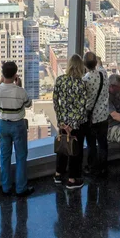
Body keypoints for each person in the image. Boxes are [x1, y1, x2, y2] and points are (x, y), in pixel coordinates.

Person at [0, 61, 34, 197]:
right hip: (18, 125)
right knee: (21, 156)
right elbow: (28, 104)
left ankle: (6, 187)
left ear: (2, 74)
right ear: (16, 74)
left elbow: (0, 85)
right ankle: (21, 188)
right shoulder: (20, 91)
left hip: (3, 125)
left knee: (4, 156)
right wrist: (19, 86)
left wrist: (2, 78)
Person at [53, 54, 88, 190]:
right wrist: (72, 125)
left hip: (63, 121)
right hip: (77, 124)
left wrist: (62, 122)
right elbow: (81, 106)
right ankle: (72, 179)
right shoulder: (82, 84)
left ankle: (58, 174)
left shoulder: (60, 80)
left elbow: (56, 102)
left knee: (63, 147)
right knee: (75, 150)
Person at [81, 52, 109, 176]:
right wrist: (98, 60)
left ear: (84, 64)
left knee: (91, 144)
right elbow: (101, 66)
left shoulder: (85, 79)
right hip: (103, 116)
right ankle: (103, 167)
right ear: (96, 63)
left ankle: (92, 167)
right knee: (103, 143)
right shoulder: (103, 74)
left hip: (91, 117)